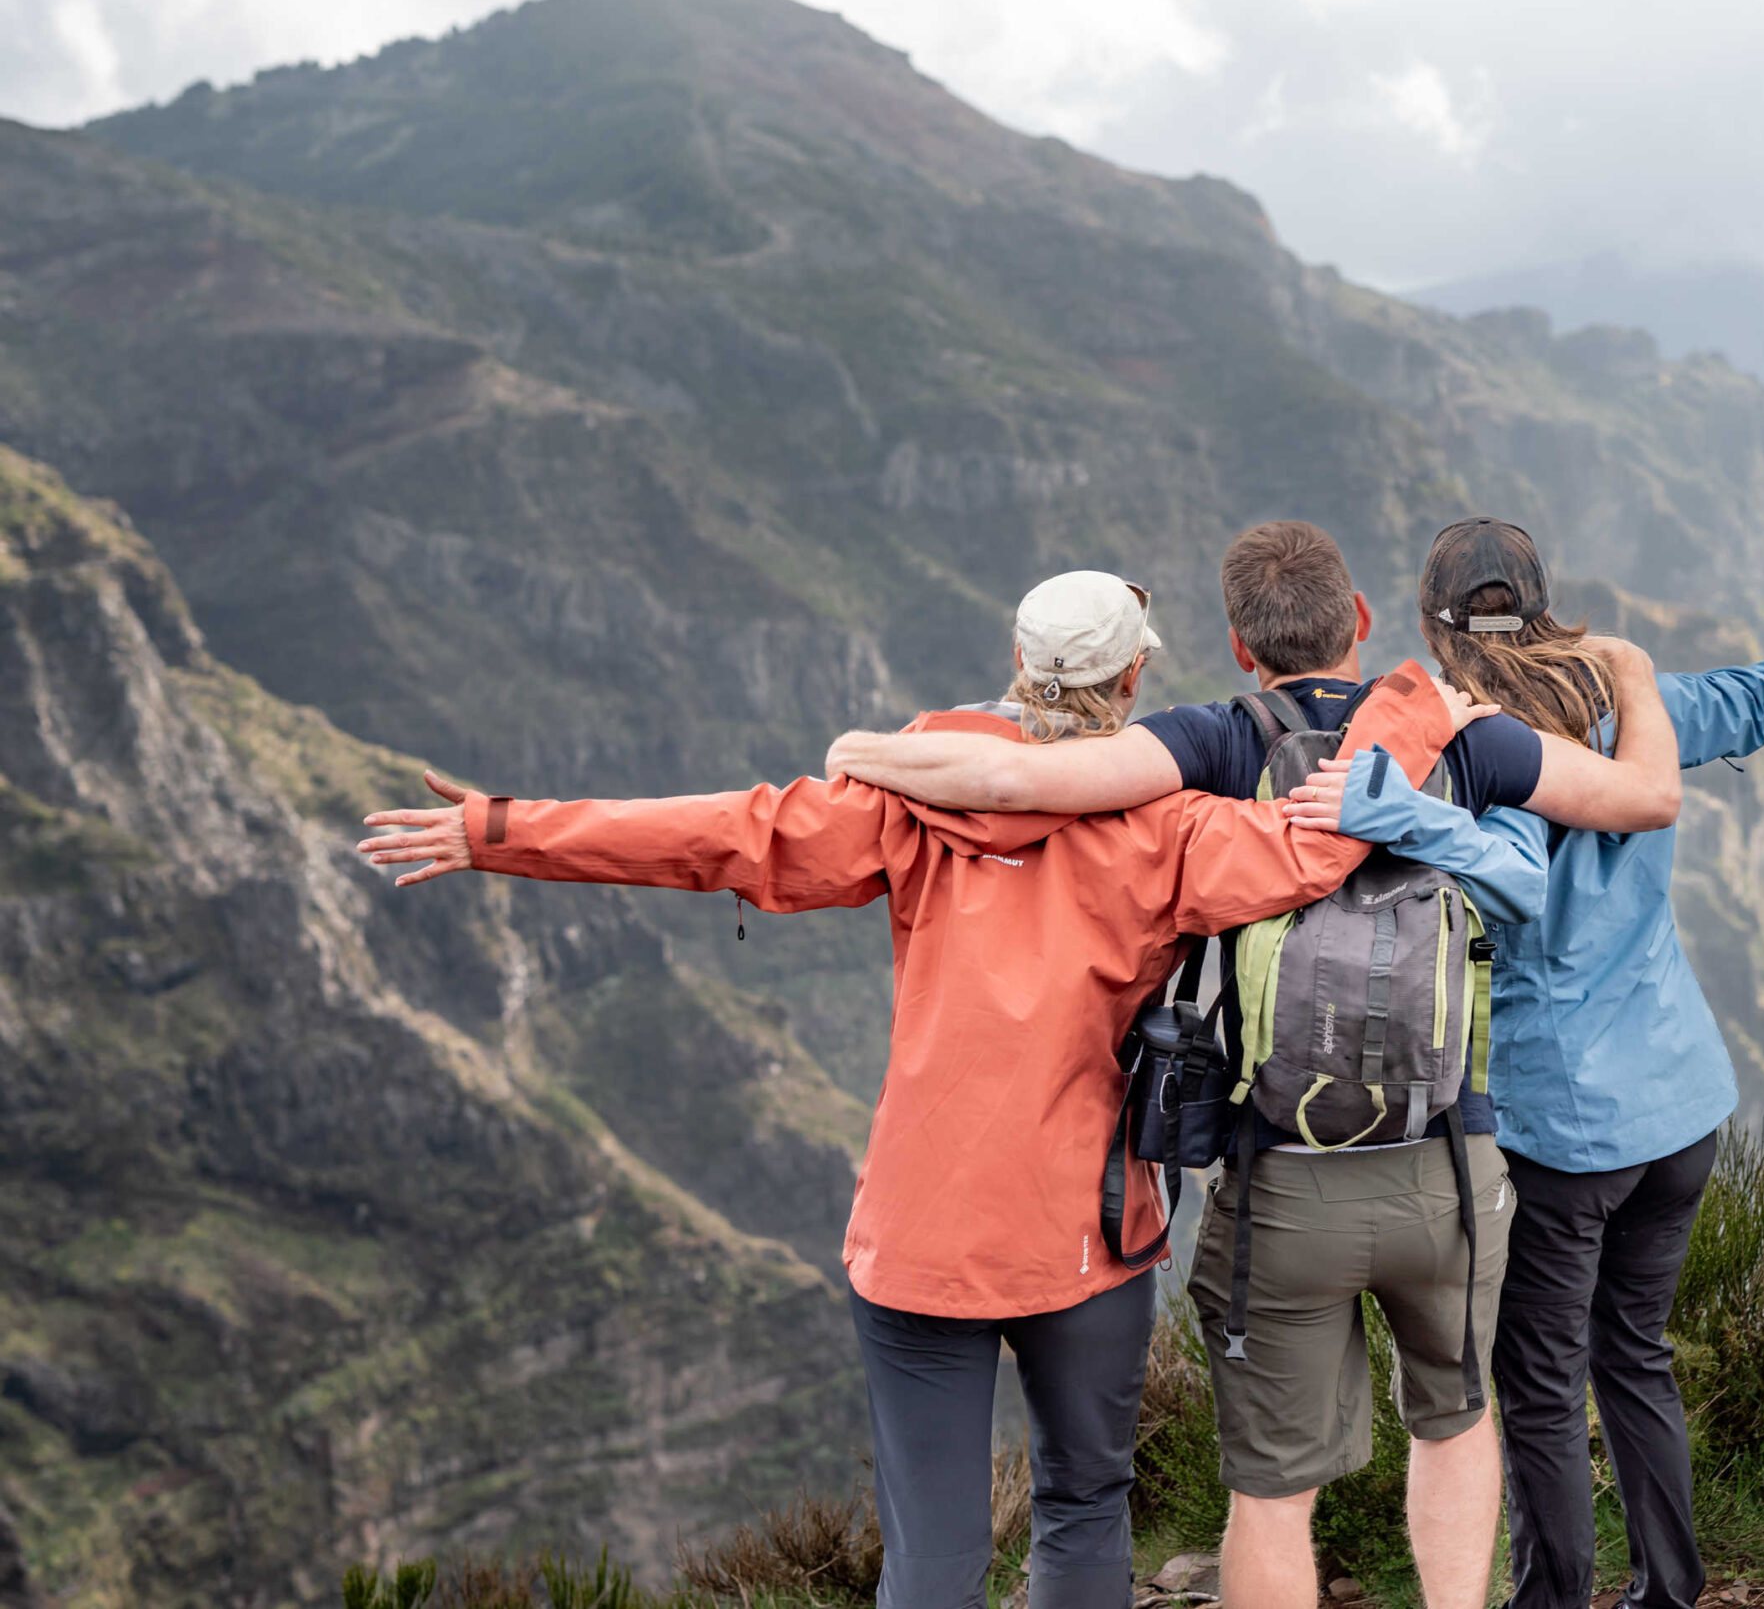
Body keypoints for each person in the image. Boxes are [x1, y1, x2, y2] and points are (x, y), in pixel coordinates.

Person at [352, 569, 1513, 1609]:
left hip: (919, 1238)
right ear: (1135, 677)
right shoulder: (1169, 832)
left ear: (1019, 664)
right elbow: (1319, 842)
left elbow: (710, 834)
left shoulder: (902, 805)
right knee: (1081, 1505)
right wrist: (1412, 705)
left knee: (936, 1553)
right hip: (1084, 1239)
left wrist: (498, 828)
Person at [823, 522, 1684, 1609]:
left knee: (1274, 1492)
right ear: (1360, 620)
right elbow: (1647, 796)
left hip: (1282, 1179)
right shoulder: (1461, 740)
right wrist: (1639, 682)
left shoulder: (1211, 742)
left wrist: (868, 753)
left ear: (1240, 645)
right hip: (1448, 1174)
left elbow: (1018, 781)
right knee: (1456, 1426)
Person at [1291, 517, 1764, 1609]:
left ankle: (1551, 1598)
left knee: (1543, 1383)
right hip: (1681, 1107)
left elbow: (1481, 869)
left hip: (1565, 1129)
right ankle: (1666, 1589)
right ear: (1543, 596)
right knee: (1636, 1356)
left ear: (1431, 622)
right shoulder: (1627, 705)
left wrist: (1387, 809)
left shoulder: (1473, 747)